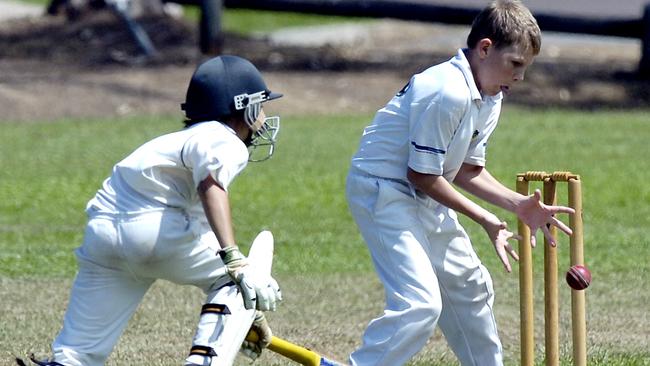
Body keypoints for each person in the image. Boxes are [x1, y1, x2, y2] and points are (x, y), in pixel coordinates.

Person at [345, 1, 576, 365]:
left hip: (421, 192)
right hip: (382, 188)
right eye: (515, 64)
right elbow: (421, 174)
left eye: (525, 68)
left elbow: (466, 170)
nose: (519, 77)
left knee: (471, 287)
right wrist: (485, 218)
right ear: (485, 49)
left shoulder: (490, 95)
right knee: (420, 305)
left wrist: (517, 204)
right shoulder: (445, 90)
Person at [18, 55, 283, 366]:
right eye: (261, 107)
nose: (264, 117)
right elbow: (211, 184)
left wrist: (243, 318)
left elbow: (199, 228)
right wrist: (234, 261)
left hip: (104, 236)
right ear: (244, 107)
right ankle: (204, 361)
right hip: (154, 231)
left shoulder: (174, 141)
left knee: (76, 356)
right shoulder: (223, 139)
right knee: (238, 277)